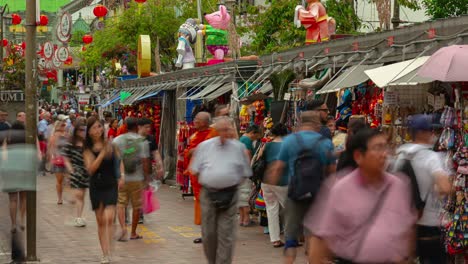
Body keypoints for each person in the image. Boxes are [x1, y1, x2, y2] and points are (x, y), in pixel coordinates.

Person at [309, 128, 417, 263]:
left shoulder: (399, 186)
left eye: (385, 147)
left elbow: (408, 230)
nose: (384, 154)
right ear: (358, 156)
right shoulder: (340, 188)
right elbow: (320, 238)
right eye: (378, 148)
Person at [267, 111, 336, 264]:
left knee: (291, 237)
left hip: (295, 193)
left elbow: (278, 168)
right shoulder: (325, 143)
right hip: (318, 195)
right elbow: (332, 172)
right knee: (314, 236)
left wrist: (272, 183)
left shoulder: (290, 141)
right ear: (317, 124)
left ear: (299, 122)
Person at [190, 117, 252, 264]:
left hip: (230, 194)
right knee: (209, 234)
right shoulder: (204, 146)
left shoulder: (238, 147)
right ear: (216, 131)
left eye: (228, 129)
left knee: (226, 234)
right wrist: (210, 181)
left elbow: (245, 172)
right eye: (223, 130)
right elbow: (195, 170)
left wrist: (231, 183)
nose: (226, 133)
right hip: (209, 194)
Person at [393, 114, 451, 264]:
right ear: (421, 133)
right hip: (429, 225)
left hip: (405, 226)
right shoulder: (431, 157)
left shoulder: (401, 153)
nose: (433, 134)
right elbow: (445, 186)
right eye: (430, 130)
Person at [83, 117, 120, 264]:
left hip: (111, 184)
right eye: (94, 128)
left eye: (99, 127)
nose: (98, 130)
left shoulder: (110, 144)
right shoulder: (87, 148)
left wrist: (121, 175)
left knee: (109, 217)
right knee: (101, 222)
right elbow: (91, 169)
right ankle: (105, 254)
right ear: (89, 132)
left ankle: (109, 247)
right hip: (96, 186)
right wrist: (102, 154)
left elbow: (118, 161)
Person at [113, 117, 150, 241]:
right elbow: (145, 161)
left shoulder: (116, 140)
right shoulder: (142, 141)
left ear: (125, 126)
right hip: (137, 178)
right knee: (136, 206)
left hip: (121, 178)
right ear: (136, 127)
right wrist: (146, 178)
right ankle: (133, 232)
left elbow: (114, 160)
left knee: (121, 204)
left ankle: (123, 227)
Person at [183, 112, 217, 244]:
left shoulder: (213, 133)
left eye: (198, 119)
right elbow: (190, 151)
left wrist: (195, 151)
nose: (195, 121)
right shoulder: (195, 135)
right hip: (198, 177)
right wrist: (190, 152)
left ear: (205, 122)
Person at [258, 123, 289, 247]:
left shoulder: (267, 145)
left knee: (271, 209)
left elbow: (260, 159)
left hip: (266, 181)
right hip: (283, 181)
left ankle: (275, 239)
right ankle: (290, 238)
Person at [63, 119, 89, 227]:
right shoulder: (70, 143)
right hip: (75, 171)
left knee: (82, 195)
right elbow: (65, 157)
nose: (82, 132)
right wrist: (70, 169)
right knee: (79, 195)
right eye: (80, 130)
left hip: (85, 171)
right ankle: (78, 217)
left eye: (84, 130)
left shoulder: (87, 143)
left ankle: (79, 216)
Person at [239, 125, 262, 227]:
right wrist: (251, 168)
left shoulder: (242, 138)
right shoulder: (247, 140)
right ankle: (246, 219)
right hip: (245, 171)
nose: (256, 138)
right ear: (253, 132)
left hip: (240, 171)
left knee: (241, 195)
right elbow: (248, 154)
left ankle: (242, 219)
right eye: (257, 136)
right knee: (246, 194)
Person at [48, 120, 69, 204]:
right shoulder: (54, 136)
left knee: (69, 180)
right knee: (59, 180)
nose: (63, 127)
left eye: (64, 125)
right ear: (57, 127)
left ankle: (70, 196)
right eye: (62, 125)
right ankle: (60, 198)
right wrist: (51, 159)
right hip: (58, 161)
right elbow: (51, 148)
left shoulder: (67, 135)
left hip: (68, 160)